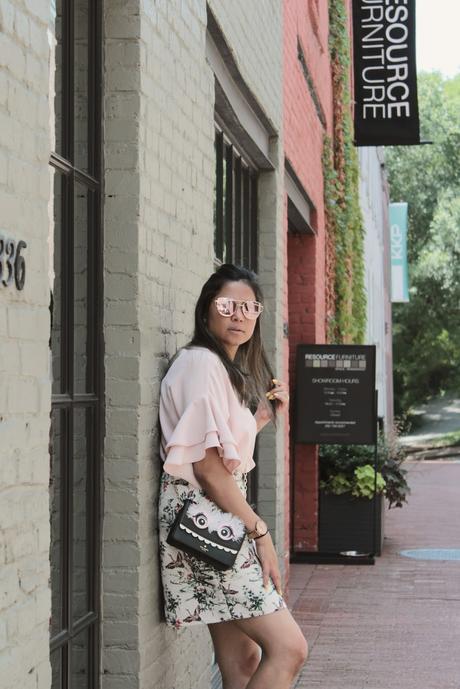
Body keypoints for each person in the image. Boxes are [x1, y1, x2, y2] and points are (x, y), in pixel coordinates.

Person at [158, 263, 308, 689]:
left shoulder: (218, 369)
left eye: (249, 307)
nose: (239, 315)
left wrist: (259, 418)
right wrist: (261, 534)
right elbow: (207, 469)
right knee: (290, 649)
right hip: (207, 524)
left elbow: (221, 456)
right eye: (227, 305)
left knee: (243, 658)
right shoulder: (201, 364)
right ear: (207, 309)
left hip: (209, 521)